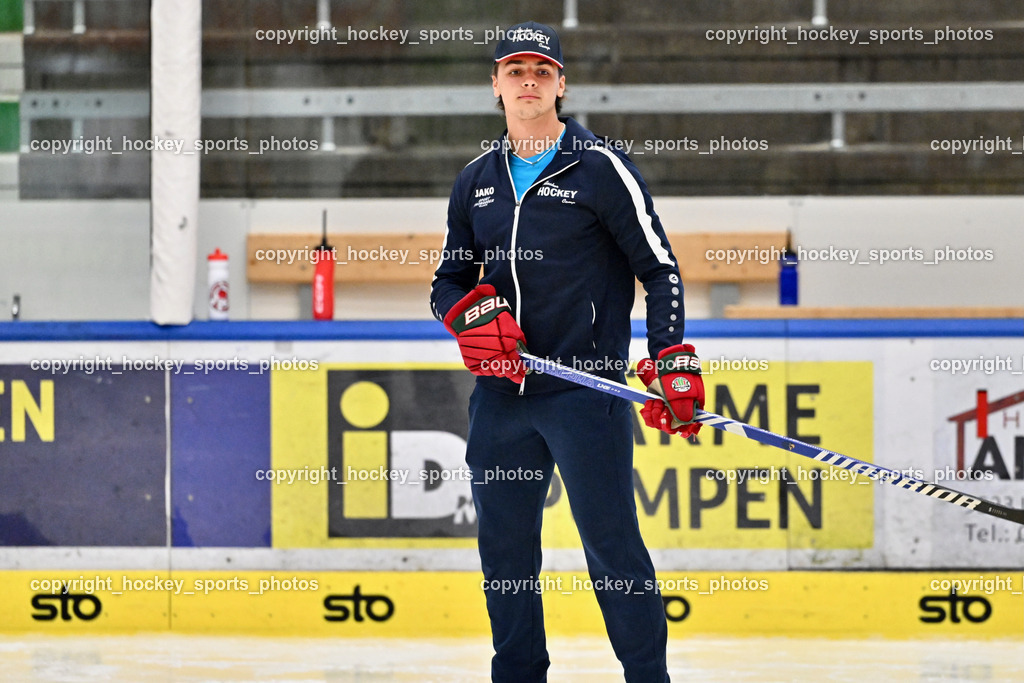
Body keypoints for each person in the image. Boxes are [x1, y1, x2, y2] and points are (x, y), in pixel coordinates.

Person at [429, 20, 705, 683]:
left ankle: (647, 675)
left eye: (541, 71)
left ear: (561, 84)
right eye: (515, 70)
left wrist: (670, 358)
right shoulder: (476, 180)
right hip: (502, 399)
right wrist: (466, 316)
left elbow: (661, 268)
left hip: (588, 393)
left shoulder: (600, 168)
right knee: (505, 552)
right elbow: (447, 282)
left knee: (612, 549)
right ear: (494, 84)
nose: (529, 81)